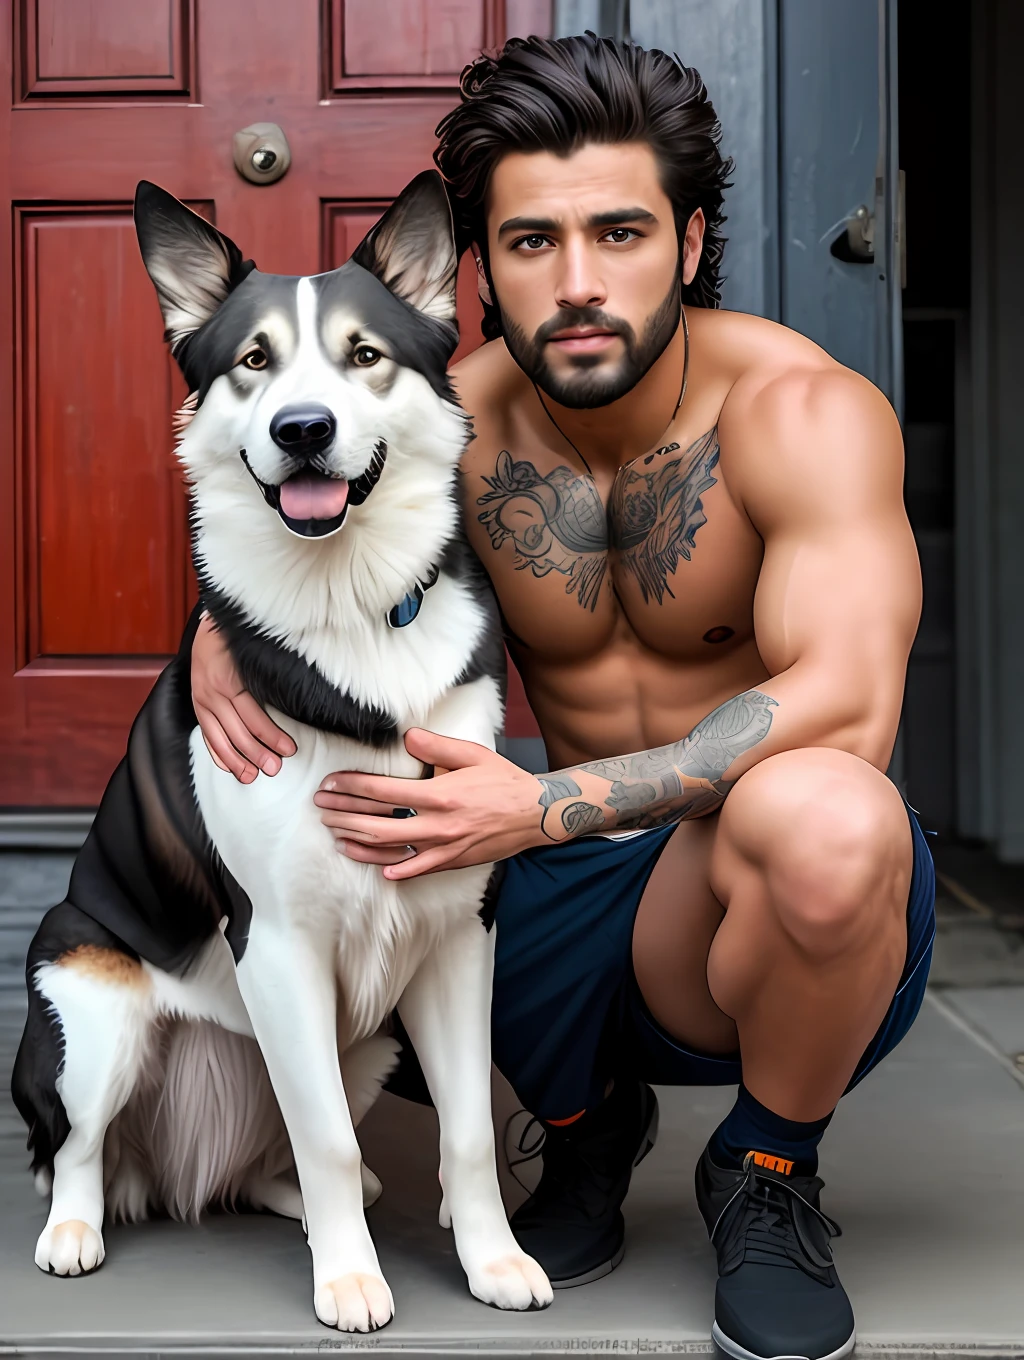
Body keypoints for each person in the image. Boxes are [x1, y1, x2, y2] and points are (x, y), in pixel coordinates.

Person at [189, 33, 934, 1360]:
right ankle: (586, 1134)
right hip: (547, 898)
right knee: (358, 852)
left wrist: (542, 809)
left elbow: (852, 703)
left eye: (622, 232)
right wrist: (212, 628)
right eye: (532, 242)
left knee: (833, 817)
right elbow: (265, 499)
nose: (578, 283)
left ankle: (767, 1172)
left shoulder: (803, 416)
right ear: (478, 268)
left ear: (693, 243)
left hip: (727, 896)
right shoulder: (441, 425)